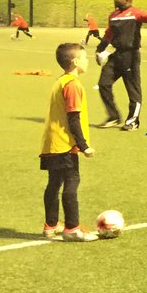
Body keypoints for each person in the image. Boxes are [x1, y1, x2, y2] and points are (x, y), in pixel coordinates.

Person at [39, 43, 98, 242]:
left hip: (52, 141)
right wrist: (83, 145)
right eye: (85, 57)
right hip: (65, 143)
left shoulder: (61, 81)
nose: (88, 61)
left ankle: (51, 225)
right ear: (75, 61)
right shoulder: (72, 84)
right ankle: (72, 228)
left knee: (54, 183)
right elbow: (74, 118)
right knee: (72, 182)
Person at [93, 0, 147, 132]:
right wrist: (99, 49)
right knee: (103, 83)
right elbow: (109, 34)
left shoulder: (135, 13)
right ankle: (113, 116)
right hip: (116, 56)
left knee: (133, 90)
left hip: (131, 56)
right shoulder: (113, 15)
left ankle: (133, 121)